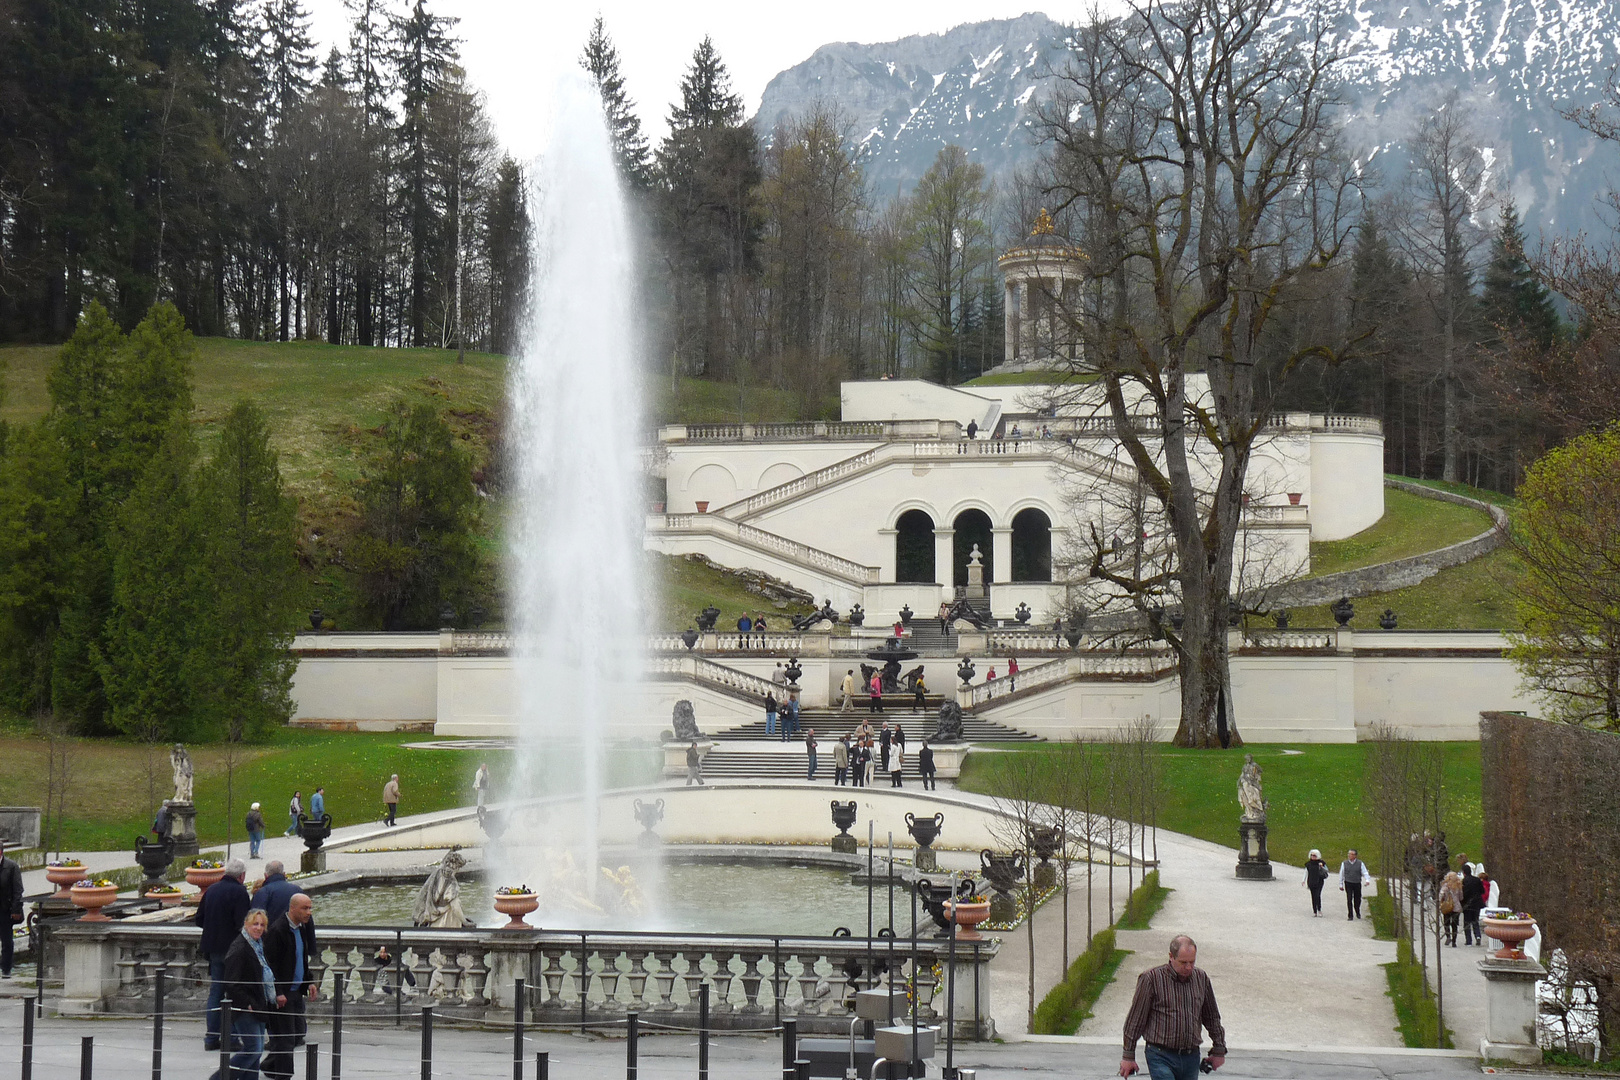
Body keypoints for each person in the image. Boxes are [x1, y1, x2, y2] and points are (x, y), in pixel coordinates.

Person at [1120, 934, 1227, 1079]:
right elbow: (1136, 1019)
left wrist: (1219, 1049)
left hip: (1191, 1056)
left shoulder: (1201, 978)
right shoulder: (1151, 979)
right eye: (1183, 962)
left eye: (1192, 962)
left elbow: (1212, 1017)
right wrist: (1128, 1056)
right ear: (1171, 956)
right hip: (1160, 1055)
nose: (1188, 967)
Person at [209, 908, 274, 1080]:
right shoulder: (240, 949)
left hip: (258, 1004)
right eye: (255, 924)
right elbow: (231, 982)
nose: (259, 928)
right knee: (253, 1049)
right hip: (246, 1007)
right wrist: (248, 1003)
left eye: (262, 925)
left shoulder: (257, 946)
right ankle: (219, 1077)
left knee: (256, 1050)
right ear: (246, 924)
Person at [261, 893, 318, 1080]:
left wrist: (308, 981)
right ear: (292, 908)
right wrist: (277, 992)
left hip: (295, 991)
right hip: (282, 994)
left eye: (310, 908)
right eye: (305, 908)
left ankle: (268, 1066)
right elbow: (270, 966)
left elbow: (302, 959)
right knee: (285, 1038)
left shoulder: (301, 928)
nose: (309, 912)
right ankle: (284, 1076)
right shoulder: (277, 931)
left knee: (293, 1036)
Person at [197, 859, 252, 1051]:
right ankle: (232, 1039)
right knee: (233, 993)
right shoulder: (240, 892)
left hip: (212, 948)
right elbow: (243, 924)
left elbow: (199, 919)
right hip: (233, 950)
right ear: (242, 875)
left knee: (216, 992)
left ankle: (211, 1038)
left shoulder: (211, 889)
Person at [251, 861, 300, 927]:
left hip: (270, 934)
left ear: (265, 875)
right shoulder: (297, 890)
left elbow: (254, 918)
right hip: (294, 933)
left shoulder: (262, 892)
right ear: (284, 874)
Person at [0, 841, 22, 979]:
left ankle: (6, 969)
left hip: (5, 909)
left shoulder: (11, 866)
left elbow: (18, 889)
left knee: (7, 940)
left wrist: (15, 909)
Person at [1339, 849, 1370, 920]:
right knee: (1349, 899)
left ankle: (1357, 911)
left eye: (1351, 854)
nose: (1349, 855)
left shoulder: (1360, 863)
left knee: (1357, 899)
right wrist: (1341, 884)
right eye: (1349, 854)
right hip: (1348, 882)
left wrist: (1367, 880)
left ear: (1355, 856)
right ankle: (1350, 915)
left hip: (1357, 883)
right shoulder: (1344, 863)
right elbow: (1342, 874)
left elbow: (1364, 872)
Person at [1460, 863, 1486, 946]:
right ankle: (1478, 936)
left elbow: (1463, 894)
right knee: (1475, 921)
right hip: (1477, 903)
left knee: (1467, 922)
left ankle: (1468, 941)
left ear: (1464, 873)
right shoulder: (1477, 880)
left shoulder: (1464, 881)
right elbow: (1482, 891)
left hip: (1468, 904)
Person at [1439, 868, 1463, 946]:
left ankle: (1448, 936)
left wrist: (1442, 900)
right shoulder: (1459, 885)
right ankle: (1454, 941)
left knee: (1446, 923)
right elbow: (1461, 897)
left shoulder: (1445, 885)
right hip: (1456, 907)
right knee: (1455, 924)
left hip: (1447, 906)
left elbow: (1441, 895)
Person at [1302, 849, 1329, 917]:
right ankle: (1314, 911)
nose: (1312, 857)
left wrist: (1321, 866)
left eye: (1314, 855)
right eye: (1311, 855)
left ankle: (1319, 909)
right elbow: (1306, 872)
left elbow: (1326, 870)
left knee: (1317, 895)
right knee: (1313, 896)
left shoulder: (1321, 862)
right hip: (1311, 881)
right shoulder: (1308, 864)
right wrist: (1303, 880)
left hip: (1319, 881)